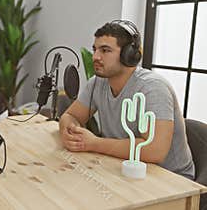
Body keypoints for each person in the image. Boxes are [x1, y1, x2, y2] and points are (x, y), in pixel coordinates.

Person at [59, 20, 195, 179]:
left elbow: (155, 151)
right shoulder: (97, 83)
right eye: (95, 49)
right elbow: (71, 116)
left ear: (129, 55)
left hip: (171, 180)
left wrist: (94, 143)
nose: (95, 57)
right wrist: (69, 133)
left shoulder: (152, 88)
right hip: (123, 167)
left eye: (105, 50)